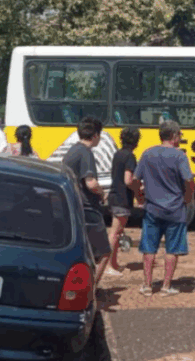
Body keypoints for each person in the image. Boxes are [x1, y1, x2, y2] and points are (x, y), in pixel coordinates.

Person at [130, 120, 195, 296]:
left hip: (152, 208)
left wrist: (139, 197)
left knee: (149, 248)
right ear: (174, 136)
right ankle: (166, 286)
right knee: (172, 249)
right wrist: (187, 199)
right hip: (175, 209)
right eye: (180, 135)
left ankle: (147, 285)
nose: (180, 138)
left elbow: (135, 180)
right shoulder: (179, 156)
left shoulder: (148, 153)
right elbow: (189, 181)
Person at [62, 116, 111, 284]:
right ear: (96, 135)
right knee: (104, 252)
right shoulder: (86, 153)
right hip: (88, 208)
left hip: (75, 205)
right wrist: (102, 193)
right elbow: (90, 182)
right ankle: (91, 290)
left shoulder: (73, 150)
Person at [103, 126, 141, 278]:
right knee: (114, 233)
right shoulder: (130, 157)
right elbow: (128, 180)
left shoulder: (118, 154)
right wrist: (138, 189)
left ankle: (113, 263)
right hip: (122, 198)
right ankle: (107, 266)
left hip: (114, 196)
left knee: (116, 233)